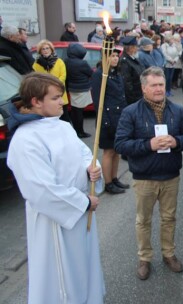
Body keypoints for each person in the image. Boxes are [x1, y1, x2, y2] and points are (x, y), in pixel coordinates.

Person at [7, 72, 105, 303]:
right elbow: (40, 189)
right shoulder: (25, 139)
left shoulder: (62, 126)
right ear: (36, 101)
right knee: (62, 277)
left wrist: (92, 169)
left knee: (85, 266)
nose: (63, 101)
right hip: (56, 220)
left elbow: (83, 154)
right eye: (56, 97)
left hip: (81, 214)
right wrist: (83, 202)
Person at [115, 67, 183, 280]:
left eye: (161, 84)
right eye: (154, 85)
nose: (159, 89)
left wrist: (177, 141)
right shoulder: (130, 112)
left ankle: (168, 254)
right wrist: (148, 144)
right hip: (144, 177)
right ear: (144, 88)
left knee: (169, 217)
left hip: (170, 175)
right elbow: (121, 144)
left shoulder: (177, 110)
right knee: (144, 220)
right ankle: (145, 258)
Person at [91, 47, 129, 194]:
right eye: (111, 56)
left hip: (119, 117)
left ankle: (114, 178)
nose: (114, 58)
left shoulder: (116, 74)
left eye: (116, 56)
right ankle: (108, 183)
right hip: (107, 117)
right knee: (108, 151)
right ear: (104, 58)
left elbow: (121, 96)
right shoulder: (100, 74)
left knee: (117, 150)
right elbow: (98, 101)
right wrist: (105, 121)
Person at [33, 39, 71, 124]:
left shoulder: (59, 61)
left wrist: (54, 86)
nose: (46, 50)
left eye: (47, 48)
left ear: (51, 49)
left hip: (59, 92)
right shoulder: (36, 64)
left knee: (64, 117)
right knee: (50, 117)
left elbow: (63, 76)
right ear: (40, 51)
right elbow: (36, 78)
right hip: (45, 93)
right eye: (43, 49)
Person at [65, 43, 93, 138]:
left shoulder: (67, 61)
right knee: (79, 111)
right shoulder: (82, 63)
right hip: (82, 89)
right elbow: (90, 73)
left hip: (72, 88)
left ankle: (76, 130)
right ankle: (80, 132)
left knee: (75, 110)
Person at [119, 36, 145, 105]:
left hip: (139, 94)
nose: (137, 49)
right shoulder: (124, 61)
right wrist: (133, 99)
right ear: (131, 48)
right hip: (134, 98)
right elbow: (127, 83)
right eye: (135, 47)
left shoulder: (132, 58)